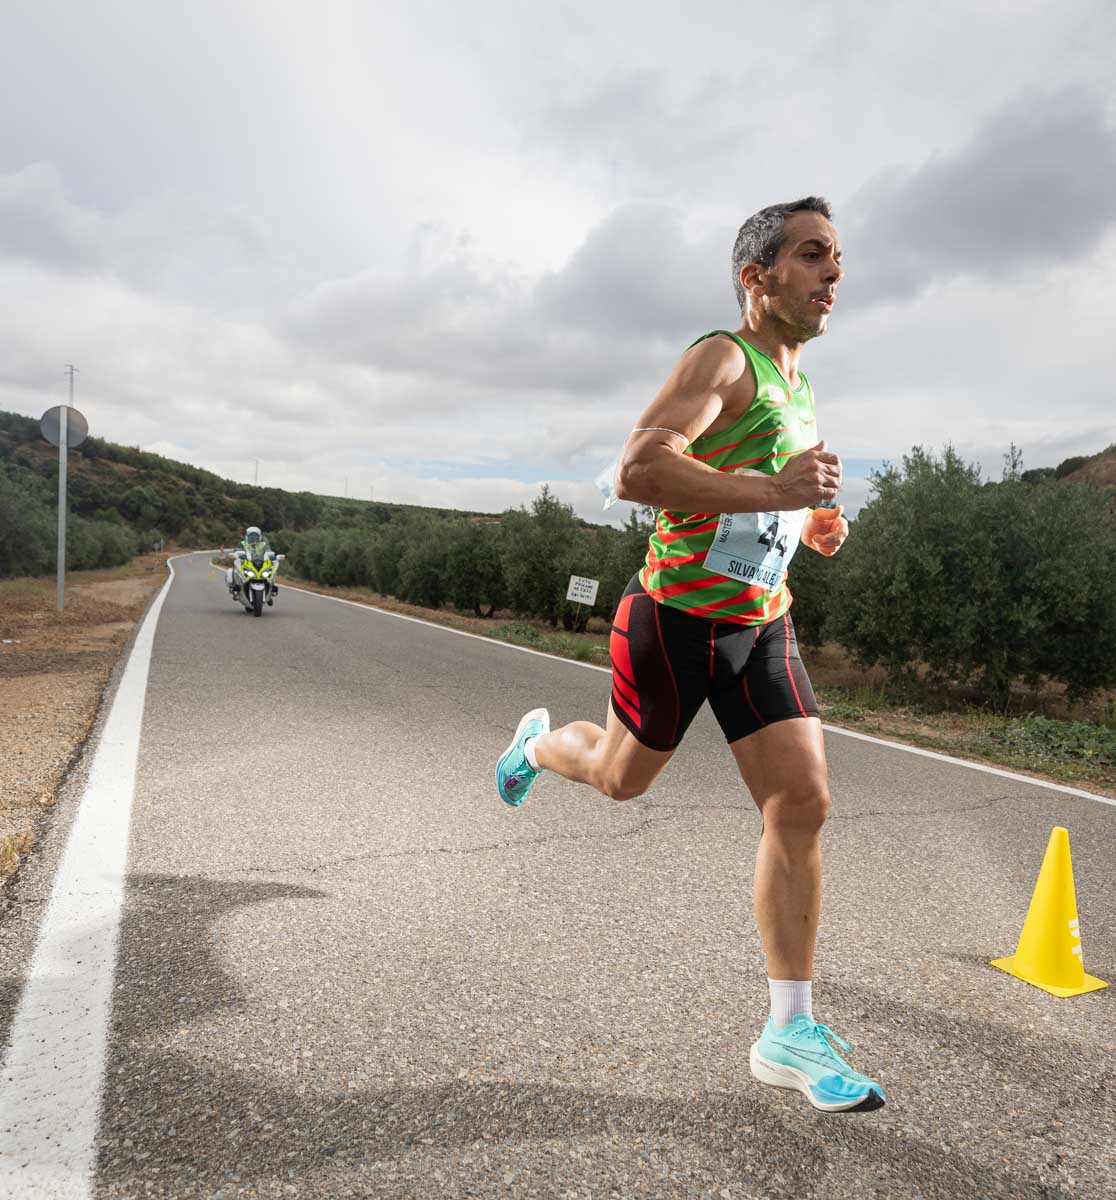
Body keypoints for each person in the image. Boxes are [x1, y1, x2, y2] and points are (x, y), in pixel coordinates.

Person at [495, 197, 884, 1113]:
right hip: (672, 625)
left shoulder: (799, 386)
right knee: (619, 780)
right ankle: (537, 746)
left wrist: (809, 517)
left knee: (803, 800)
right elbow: (640, 467)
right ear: (757, 277)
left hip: (762, 624)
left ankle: (788, 1028)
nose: (836, 273)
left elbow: (765, 494)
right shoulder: (724, 358)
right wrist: (771, 484)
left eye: (839, 257)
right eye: (814, 255)